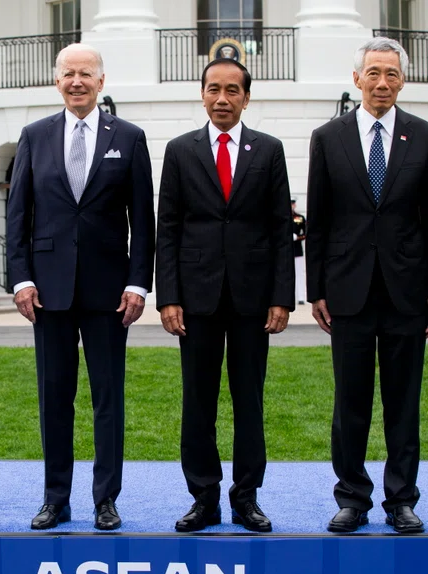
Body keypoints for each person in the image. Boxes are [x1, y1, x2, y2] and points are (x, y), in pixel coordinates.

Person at [6, 43, 155, 531]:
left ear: (101, 81)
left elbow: (143, 220)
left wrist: (138, 284)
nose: (76, 82)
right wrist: (22, 277)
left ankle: (105, 500)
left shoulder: (129, 138)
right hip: (47, 292)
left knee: (107, 396)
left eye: (85, 74)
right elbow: (19, 215)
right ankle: (56, 498)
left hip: (110, 292)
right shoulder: (34, 135)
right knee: (54, 396)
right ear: (57, 81)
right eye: (68, 74)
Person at [305, 37, 428, 534]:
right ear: (356, 79)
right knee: (350, 403)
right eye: (373, 73)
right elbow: (318, 221)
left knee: (403, 402)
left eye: (391, 74)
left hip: (407, 291)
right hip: (346, 291)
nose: (382, 83)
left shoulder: (425, 137)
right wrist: (315, 288)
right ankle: (352, 498)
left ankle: (401, 499)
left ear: (402, 80)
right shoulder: (328, 138)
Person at [156, 58, 293, 533]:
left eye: (232, 90)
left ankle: (246, 498)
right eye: (214, 89)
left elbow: (281, 228)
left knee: (249, 401)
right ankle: (204, 498)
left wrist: (282, 297)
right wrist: (168, 296)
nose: (222, 98)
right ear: (202, 93)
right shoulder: (180, 151)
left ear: (246, 97)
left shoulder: (269, 150)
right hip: (195, 300)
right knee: (198, 401)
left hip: (254, 300)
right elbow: (167, 228)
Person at [291, 200, 307, 305]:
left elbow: (307, 233)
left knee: (299, 274)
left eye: (292, 204)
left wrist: (298, 237)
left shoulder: (299, 218)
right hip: (285, 252)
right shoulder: (281, 217)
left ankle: (301, 297)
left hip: (297, 251)